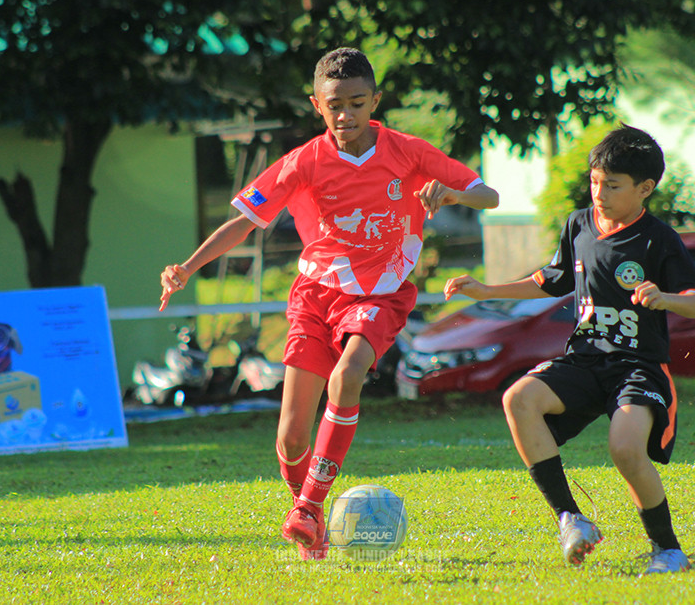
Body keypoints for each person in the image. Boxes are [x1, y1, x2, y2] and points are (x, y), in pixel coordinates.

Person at [158, 47, 499, 560]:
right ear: (317, 105)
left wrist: (451, 196)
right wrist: (188, 266)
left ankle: (311, 506)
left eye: (357, 103)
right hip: (315, 298)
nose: (346, 115)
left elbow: (488, 196)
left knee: (350, 370)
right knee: (293, 437)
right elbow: (245, 222)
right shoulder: (303, 163)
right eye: (335, 105)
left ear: (374, 101)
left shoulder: (407, 151)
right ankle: (309, 519)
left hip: (380, 293)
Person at [444, 125, 695, 575]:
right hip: (586, 358)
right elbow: (550, 280)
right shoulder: (579, 224)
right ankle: (571, 519)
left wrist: (665, 298)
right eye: (594, 180)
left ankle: (667, 550)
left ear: (645, 189)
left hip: (637, 367)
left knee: (625, 449)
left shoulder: (658, 239)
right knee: (518, 398)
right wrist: (485, 290)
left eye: (612, 184)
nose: (599, 191)